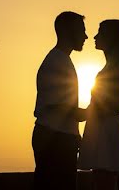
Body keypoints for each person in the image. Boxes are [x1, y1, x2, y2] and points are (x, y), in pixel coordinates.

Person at [33, 11, 88, 190]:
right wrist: (92, 113)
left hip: (58, 138)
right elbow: (60, 107)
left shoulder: (60, 60)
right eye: (81, 30)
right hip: (55, 140)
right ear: (67, 31)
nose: (85, 36)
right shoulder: (58, 62)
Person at [78, 19, 119, 190]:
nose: (95, 36)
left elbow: (112, 106)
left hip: (105, 131)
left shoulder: (113, 70)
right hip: (105, 129)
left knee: (103, 182)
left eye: (100, 32)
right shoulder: (114, 68)